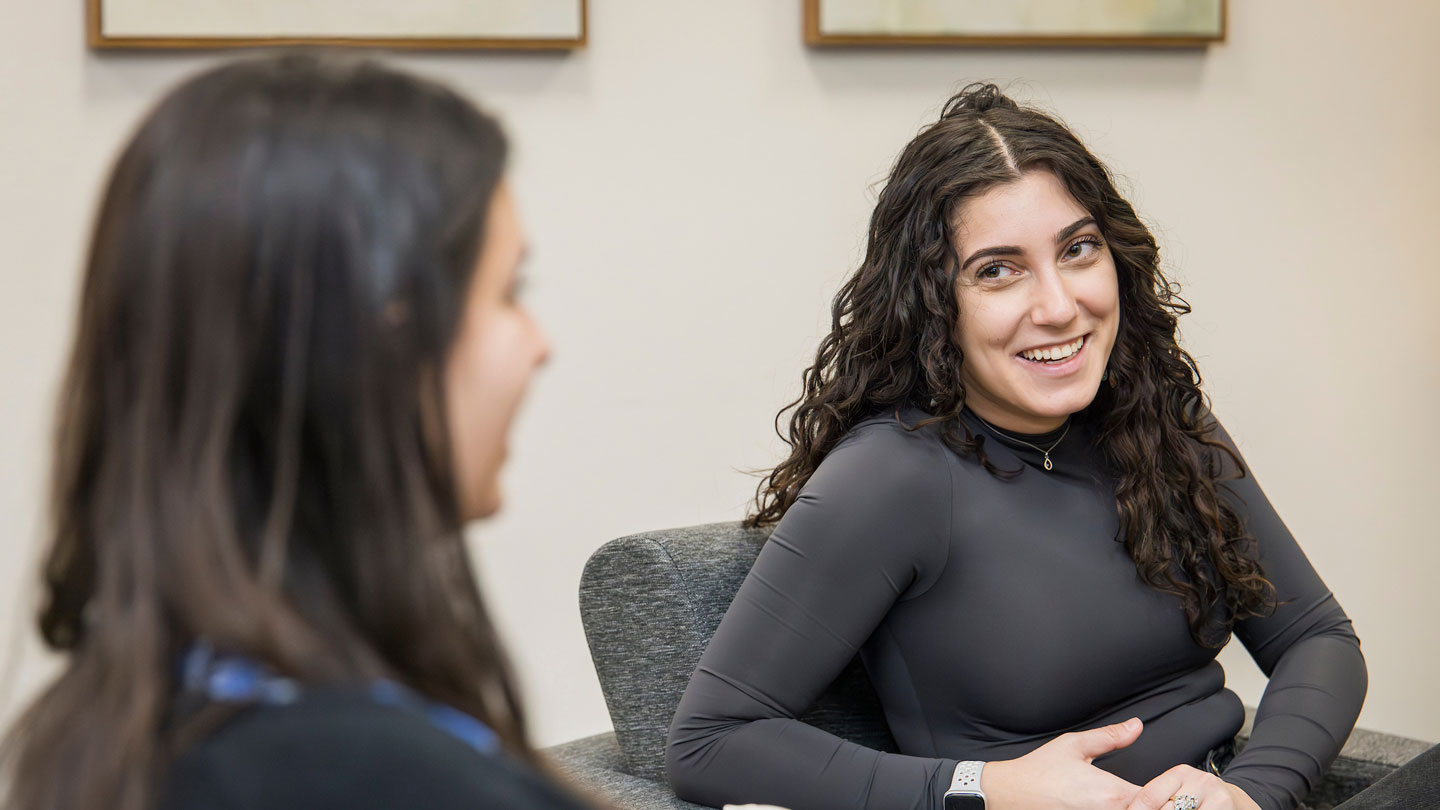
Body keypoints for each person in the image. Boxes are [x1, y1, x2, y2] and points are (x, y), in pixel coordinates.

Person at [665, 84, 1367, 810]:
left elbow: (1317, 638)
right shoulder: (890, 478)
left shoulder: (1161, 417)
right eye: (997, 270)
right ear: (932, 303)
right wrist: (984, 788)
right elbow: (711, 742)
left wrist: (1253, 793)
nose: (1060, 306)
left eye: (1078, 250)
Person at [0, 52, 590, 810]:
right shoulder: (359, 778)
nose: (539, 343)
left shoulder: (158, 711)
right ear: (378, 339)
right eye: (510, 293)